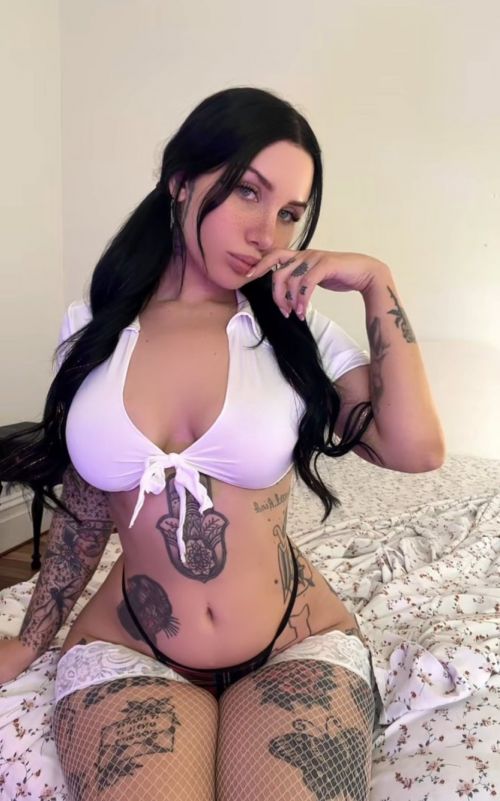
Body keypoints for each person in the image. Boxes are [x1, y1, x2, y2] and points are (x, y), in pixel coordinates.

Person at [0, 86, 444, 801]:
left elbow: (415, 449)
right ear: (181, 182)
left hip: (293, 643)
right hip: (132, 646)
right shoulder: (93, 326)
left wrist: (375, 283)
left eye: (290, 213)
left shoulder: (297, 333)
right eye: (247, 192)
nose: (267, 233)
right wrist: (31, 639)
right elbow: (85, 509)